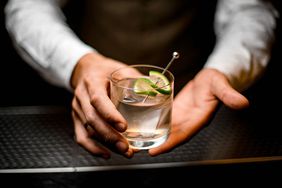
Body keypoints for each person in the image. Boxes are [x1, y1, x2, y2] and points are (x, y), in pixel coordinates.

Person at [5, 0, 278, 159]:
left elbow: (250, 10)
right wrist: (79, 64)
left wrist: (223, 68)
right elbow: (28, 5)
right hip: (87, 97)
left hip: (188, 100)